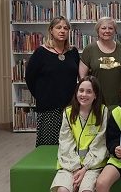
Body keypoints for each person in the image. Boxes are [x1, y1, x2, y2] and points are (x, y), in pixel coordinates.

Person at [50, 76, 109, 192]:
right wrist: (76, 167)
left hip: (93, 165)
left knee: (86, 191)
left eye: (89, 91)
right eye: (81, 90)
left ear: (95, 95)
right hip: (69, 163)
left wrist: (85, 168)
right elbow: (65, 143)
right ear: (76, 93)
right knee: (62, 191)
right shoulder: (68, 113)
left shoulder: (102, 112)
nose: (84, 94)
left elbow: (100, 144)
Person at [25, 16, 80, 146]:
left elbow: (78, 75)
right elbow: (29, 77)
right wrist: (41, 95)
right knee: (49, 144)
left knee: (70, 143)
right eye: (58, 27)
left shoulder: (73, 52)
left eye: (66, 28)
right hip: (48, 107)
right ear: (51, 30)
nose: (62, 31)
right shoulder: (41, 52)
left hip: (70, 106)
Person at [79, 16, 121, 108]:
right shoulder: (89, 49)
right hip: (96, 100)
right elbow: (83, 78)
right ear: (98, 31)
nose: (107, 31)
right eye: (103, 28)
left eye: (111, 28)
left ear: (115, 31)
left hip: (120, 100)